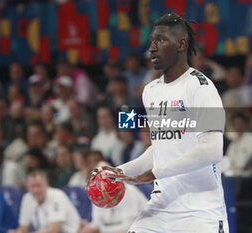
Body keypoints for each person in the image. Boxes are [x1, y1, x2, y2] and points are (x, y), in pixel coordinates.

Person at [87, 13, 228, 233]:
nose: (152, 48)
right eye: (152, 40)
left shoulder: (201, 87)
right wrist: (116, 172)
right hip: (160, 208)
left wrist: (157, 173)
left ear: (181, 44)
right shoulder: (151, 91)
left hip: (200, 211)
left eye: (161, 41)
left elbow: (212, 149)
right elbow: (160, 149)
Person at [8, 170, 81, 233]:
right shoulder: (27, 198)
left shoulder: (57, 195)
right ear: (28, 187)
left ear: (46, 184)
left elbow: (53, 230)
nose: (36, 190)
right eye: (32, 186)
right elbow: (23, 228)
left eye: (38, 186)